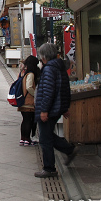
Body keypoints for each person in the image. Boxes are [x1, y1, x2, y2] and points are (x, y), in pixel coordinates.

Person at [34, 43, 77, 178]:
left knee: (45, 139)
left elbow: (48, 92)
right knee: (48, 135)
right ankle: (70, 150)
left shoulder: (48, 69)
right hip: (56, 108)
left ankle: (49, 168)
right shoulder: (60, 68)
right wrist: (64, 108)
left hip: (49, 109)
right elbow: (65, 89)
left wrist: (44, 110)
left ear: (44, 56)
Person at [18, 55, 40, 146]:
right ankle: (27, 139)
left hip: (22, 100)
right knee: (28, 120)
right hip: (28, 101)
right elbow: (29, 87)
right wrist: (35, 95)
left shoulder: (23, 73)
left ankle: (23, 139)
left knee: (24, 120)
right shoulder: (30, 74)